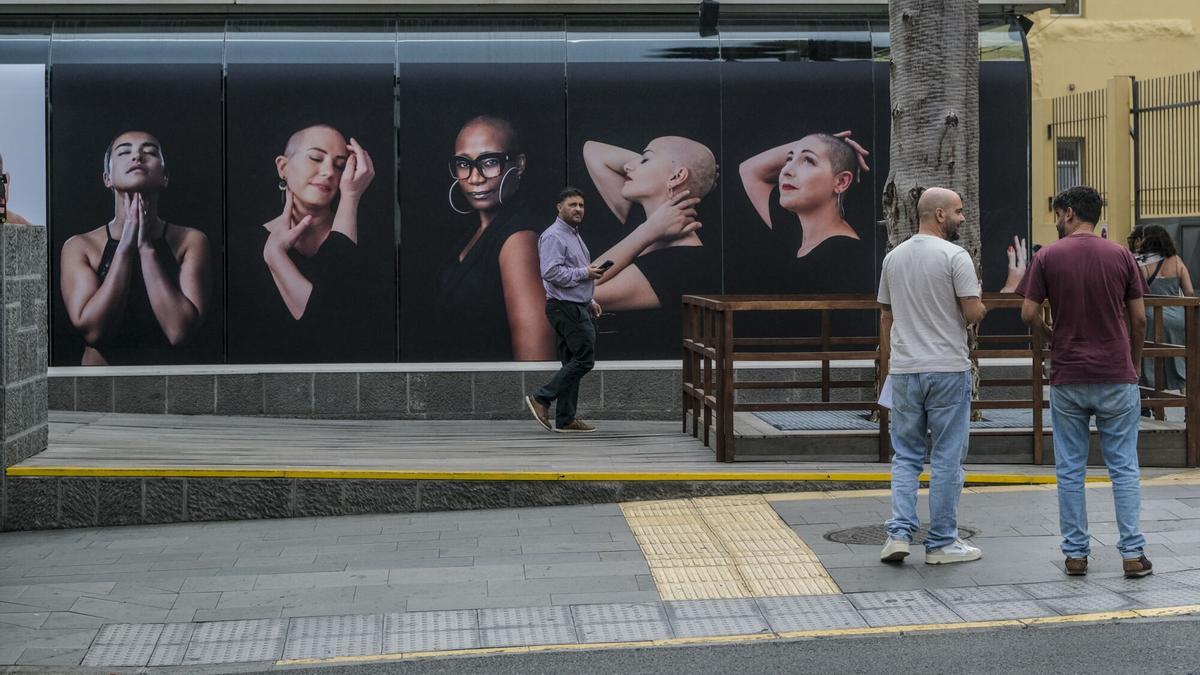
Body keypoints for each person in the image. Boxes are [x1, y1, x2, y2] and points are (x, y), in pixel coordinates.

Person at [1017, 185, 1152, 579]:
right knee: (1124, 467)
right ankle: (1132, 553)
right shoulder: (1121, 255)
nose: (1058, 221)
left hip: (1069, 374)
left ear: (1070, 212)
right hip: (1116, 372)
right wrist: (1134, 359)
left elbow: (1027, 313)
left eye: (1059, 214)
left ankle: (1076, 555)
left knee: (1070, 469)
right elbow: (1140, 319)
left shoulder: (1048, 257)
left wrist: (1051, 335)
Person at [877, 187, 987, 566]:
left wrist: (887, 366)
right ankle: (941, 542)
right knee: (946, 457)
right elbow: (972, 313)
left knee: (905, 456)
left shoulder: (893, 258)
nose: (962, 217)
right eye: (958, 211)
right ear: (939, 215)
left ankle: (898, 534)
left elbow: (886, 317)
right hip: (947, 368)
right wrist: (981, 305)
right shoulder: (955, 256)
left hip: (905, 370)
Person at [59, 131, 212, 365]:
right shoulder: (80, 246)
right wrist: (124, 249)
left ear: (165, 177)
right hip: (99, 390)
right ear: (107, 178)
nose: (137, 157)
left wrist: (146, 248)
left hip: (171, 387)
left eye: (150, 152)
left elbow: (179, 332)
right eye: (124, 152)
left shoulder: (191, 240)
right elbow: (94, 332)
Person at [236, 124, 375, 363]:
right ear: (283, 167)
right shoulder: (244, 245)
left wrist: (275, 255)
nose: (329, 171)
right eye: (316, 158)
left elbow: (330, 325)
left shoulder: (369, 240)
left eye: (340, 165)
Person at [434, 116, 553, 361]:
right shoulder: (476, 232)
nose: (475, 177)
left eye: (489, 161)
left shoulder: (519, 239)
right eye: (464, 163)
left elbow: (536, 360)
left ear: (518, 164)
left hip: (494, 396)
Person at [582, 136, 716, 320]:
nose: (627, 166)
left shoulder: (682, 264)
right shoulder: (639, 218)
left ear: (677, 176)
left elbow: (575, 291)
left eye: (645, 159)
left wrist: (647, 233)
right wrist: (697, 173)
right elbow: (592, 150)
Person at [525, 188, 604, 433]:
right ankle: (541, 398)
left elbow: (569, 273)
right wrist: (585, 274)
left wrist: (588, 299)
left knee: (572, 361)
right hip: (564, 308)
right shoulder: (554, 236)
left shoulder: (573, 235)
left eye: (581, 205)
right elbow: (550, 272)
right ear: (559, 207)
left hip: (573, 305)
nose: (578, 209)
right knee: (584, 359)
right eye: (572, 205)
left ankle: (566, 419)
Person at [739, 131, 870, 261]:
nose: (786, 170)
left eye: (808, 160)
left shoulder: (846, 254)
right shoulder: (792, 235)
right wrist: (820, 141)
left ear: (841, 182)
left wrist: (830, 145)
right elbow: (748, 170)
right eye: (789, 159)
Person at [1136, 224, 1193, 392]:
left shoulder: (1144, 262)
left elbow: (1137, 292)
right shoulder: (1176, 260)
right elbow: (1189, 291)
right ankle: (1185, 405)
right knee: (1180, 359)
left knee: (1152, 361)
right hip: (1178, 318)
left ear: (1148, 240)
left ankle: (1155, 406)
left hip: (1153, 318)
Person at [0, 151, 31, 225]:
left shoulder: (5, 177)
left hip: (1, 211)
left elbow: (5, 198)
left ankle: (48, 235)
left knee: (20, 220)